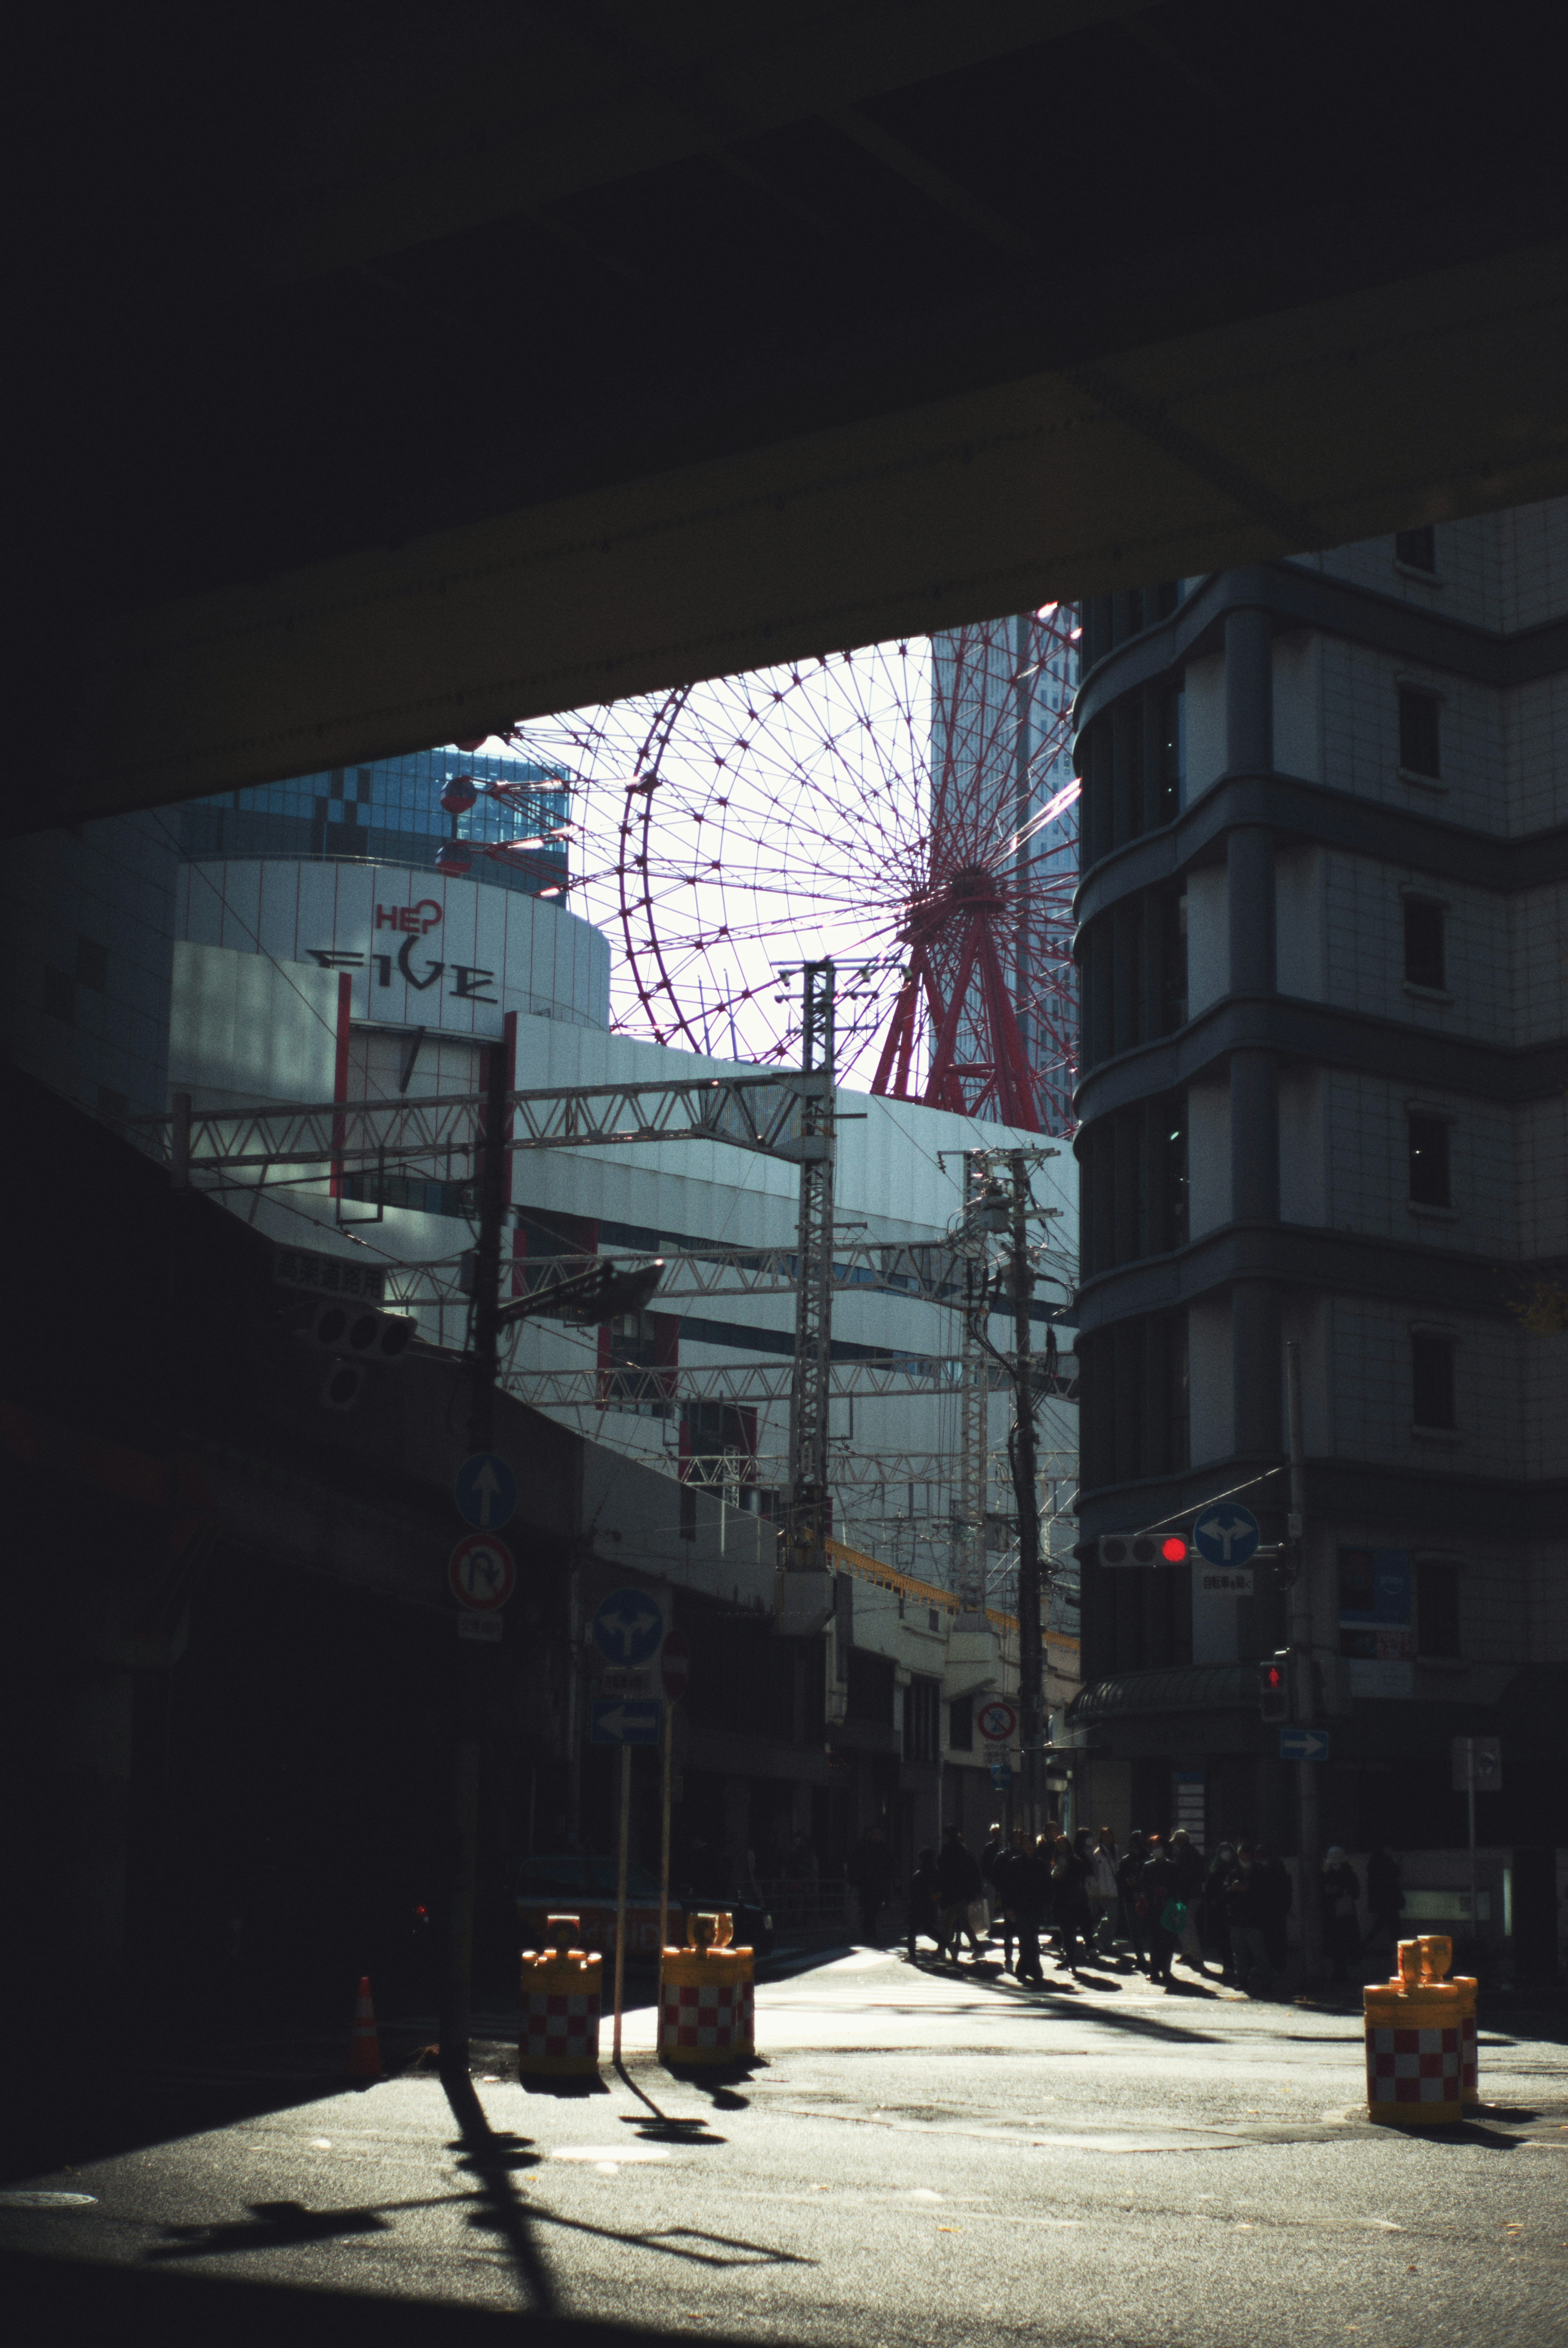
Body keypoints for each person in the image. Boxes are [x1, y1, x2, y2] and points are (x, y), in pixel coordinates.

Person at [1223, 1842, 1272, 1996]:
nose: (1244, 1860)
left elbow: (1266, 1894)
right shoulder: (1234, 1873)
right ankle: (1242, 1980)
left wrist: (1248, 1889)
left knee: (1259, 1953)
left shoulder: (1260, 1873)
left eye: (1246, 1857)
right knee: (1239, 1953)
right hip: (1237, 1919)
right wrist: (1233, 1889)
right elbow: (1224, 1890)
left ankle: (1267, 1981)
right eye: (1241, 1857)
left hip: (1254, 1919)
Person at [935, 1825, 984, 1961]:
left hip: (953, 1892)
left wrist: (941, 1890)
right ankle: (978, 1949)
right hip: (964, 1892)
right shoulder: (964, 1850)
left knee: (949, 1920)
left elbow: (943, 1872)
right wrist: (977, 1890)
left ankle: (942, 1949)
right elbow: (975, 1871)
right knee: (962, 1922)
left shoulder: (947, 1850)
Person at [1007, 1833, 1050, 1984]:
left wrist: (1046, 1903)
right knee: (1026, 1937)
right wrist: (1009, 1906)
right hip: (1020, 1906)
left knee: (1031, 1936)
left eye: (1030, 1843)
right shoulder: (1015, 1863)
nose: (1027, 1846)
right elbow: (1009, 1887)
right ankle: (1035, 1968)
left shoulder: (1040, 1864)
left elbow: (1046, 1886)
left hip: (1036, 1906)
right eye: (1024, 1843)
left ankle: (1024, 1968)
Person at [1321, 1846, 1362, 1987]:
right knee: (1344, 1943)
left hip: (1332, 1914)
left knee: (1335, 1944)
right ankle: (1342, 1970)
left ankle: (1339, 1971)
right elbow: (1356, 1892)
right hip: (1346, 1914)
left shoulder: (1327, 1873)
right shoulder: (1349, 1872)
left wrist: (1333, 1891)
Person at [1141, 1833, 1178, 1987]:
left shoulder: (1172, 1866)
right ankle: (1155, 1969)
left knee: (1168, 1940)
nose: (1156, 1850)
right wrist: (1154, 1890)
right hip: (1153, 1907)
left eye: (1159, 1847)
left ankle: (1166, 1970)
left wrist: (1167, 1891)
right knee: (1154, 1940)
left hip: (1168, 1907)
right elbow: (1143, 1885)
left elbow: (1177, 1886)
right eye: (1154, 1847)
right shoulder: (1148, 1867)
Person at [848, 1824, 895, 1945]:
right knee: (867, 1905)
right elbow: (854, 1863)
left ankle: (868, 1927)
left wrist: (894, 1877)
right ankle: (869, 1928)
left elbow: (891, 1863)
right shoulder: (863, 1847)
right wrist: (855, 1879)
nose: (877, 1836)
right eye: (875, 1834)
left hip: (879, 1882)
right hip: (866, 1882)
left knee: (875, 1906)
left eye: (879, 1834)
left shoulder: (884, 1848)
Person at [1051, 1833, 1093, 1969]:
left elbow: (1078, 1878)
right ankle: (1070, 1959)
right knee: (1066, 1932)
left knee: (1072, 1931)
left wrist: (1063, 1877)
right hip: (1062, 1901)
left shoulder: (1075, 1860)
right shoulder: (1056, 1861)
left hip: (1074, 1901)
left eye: (1063, 1844)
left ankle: (1073, 1959)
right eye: (1058, 1845)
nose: (1061, 1847)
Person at [1167, 1829, 1207, 1971]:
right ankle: (1189, 1952)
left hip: (1188, 1895)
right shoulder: (1191, 1852)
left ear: (1180, 1840)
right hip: (1191, 1894)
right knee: (1183, 1924)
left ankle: (1195, 1955)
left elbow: (1185, 1878)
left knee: (1187, 1925)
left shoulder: (1186, 1854)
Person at [1201, 1841, 1238, 1983]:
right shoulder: (1215, 1869)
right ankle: (1228, 1965)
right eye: (1222, 1851)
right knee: (1224, 1938)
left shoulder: (1237, 1866)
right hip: (1220, 1909)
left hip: (1236, 1908)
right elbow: (1210, 1889)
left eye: (1228, 1850)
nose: (1225, 1853)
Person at [1255, 1842, 1293, 1978]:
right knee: (1271, 1940)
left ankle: (1277, 1966)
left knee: (1275, 1940)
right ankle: (1274, 1966)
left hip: (1275, 1910)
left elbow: (1285, 1891)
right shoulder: (1271, 1868)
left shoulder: (1275, 1869)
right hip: (1270, 1910)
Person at [1365, 1845, 1404, 1967]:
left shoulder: (1374, 1863)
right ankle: (1399, 1953)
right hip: (1390, 1900)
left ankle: (1360, 1949)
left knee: (1382, 1926)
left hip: (1382, 1901)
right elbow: (1394, 1874)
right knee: (1392, 1928)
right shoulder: (1386, 1862)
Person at [1117, 1831, 1149, 1972]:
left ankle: (1148, 1956)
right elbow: (1119, 1879)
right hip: (1130, 1898)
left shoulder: (1148, 1860)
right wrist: (1127, 1883)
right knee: (1135, 1929)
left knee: (1146, 1928)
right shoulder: (1126, 1861)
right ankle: (1141, 1957)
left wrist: (1139, 1885)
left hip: (1145, 1898)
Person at [905, 1846, 942, 1961]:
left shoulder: (918, 1875)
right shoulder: (936, 1873)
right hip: (930, 1906)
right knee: (929, 1929)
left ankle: (912, 1955)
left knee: (912, 1930)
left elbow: (913, 1893)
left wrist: (910, 1906)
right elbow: (940, 1890)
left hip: (917, 1907)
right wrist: (935, 1900)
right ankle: (945, 1944)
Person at [1089, 1827, 1120, 1955]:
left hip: (1116, 1889)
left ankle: (1108, 1943)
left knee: (1114, 1918)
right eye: (1105, 1836)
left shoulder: (1115, 1850)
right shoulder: (1099, 1853)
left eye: (1109, 1836)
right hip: (1106, 1891)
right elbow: (1100, 1875)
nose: (1107, 1838)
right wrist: (1103, 1892)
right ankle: (1099, 1937)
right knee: (1110, 1916)